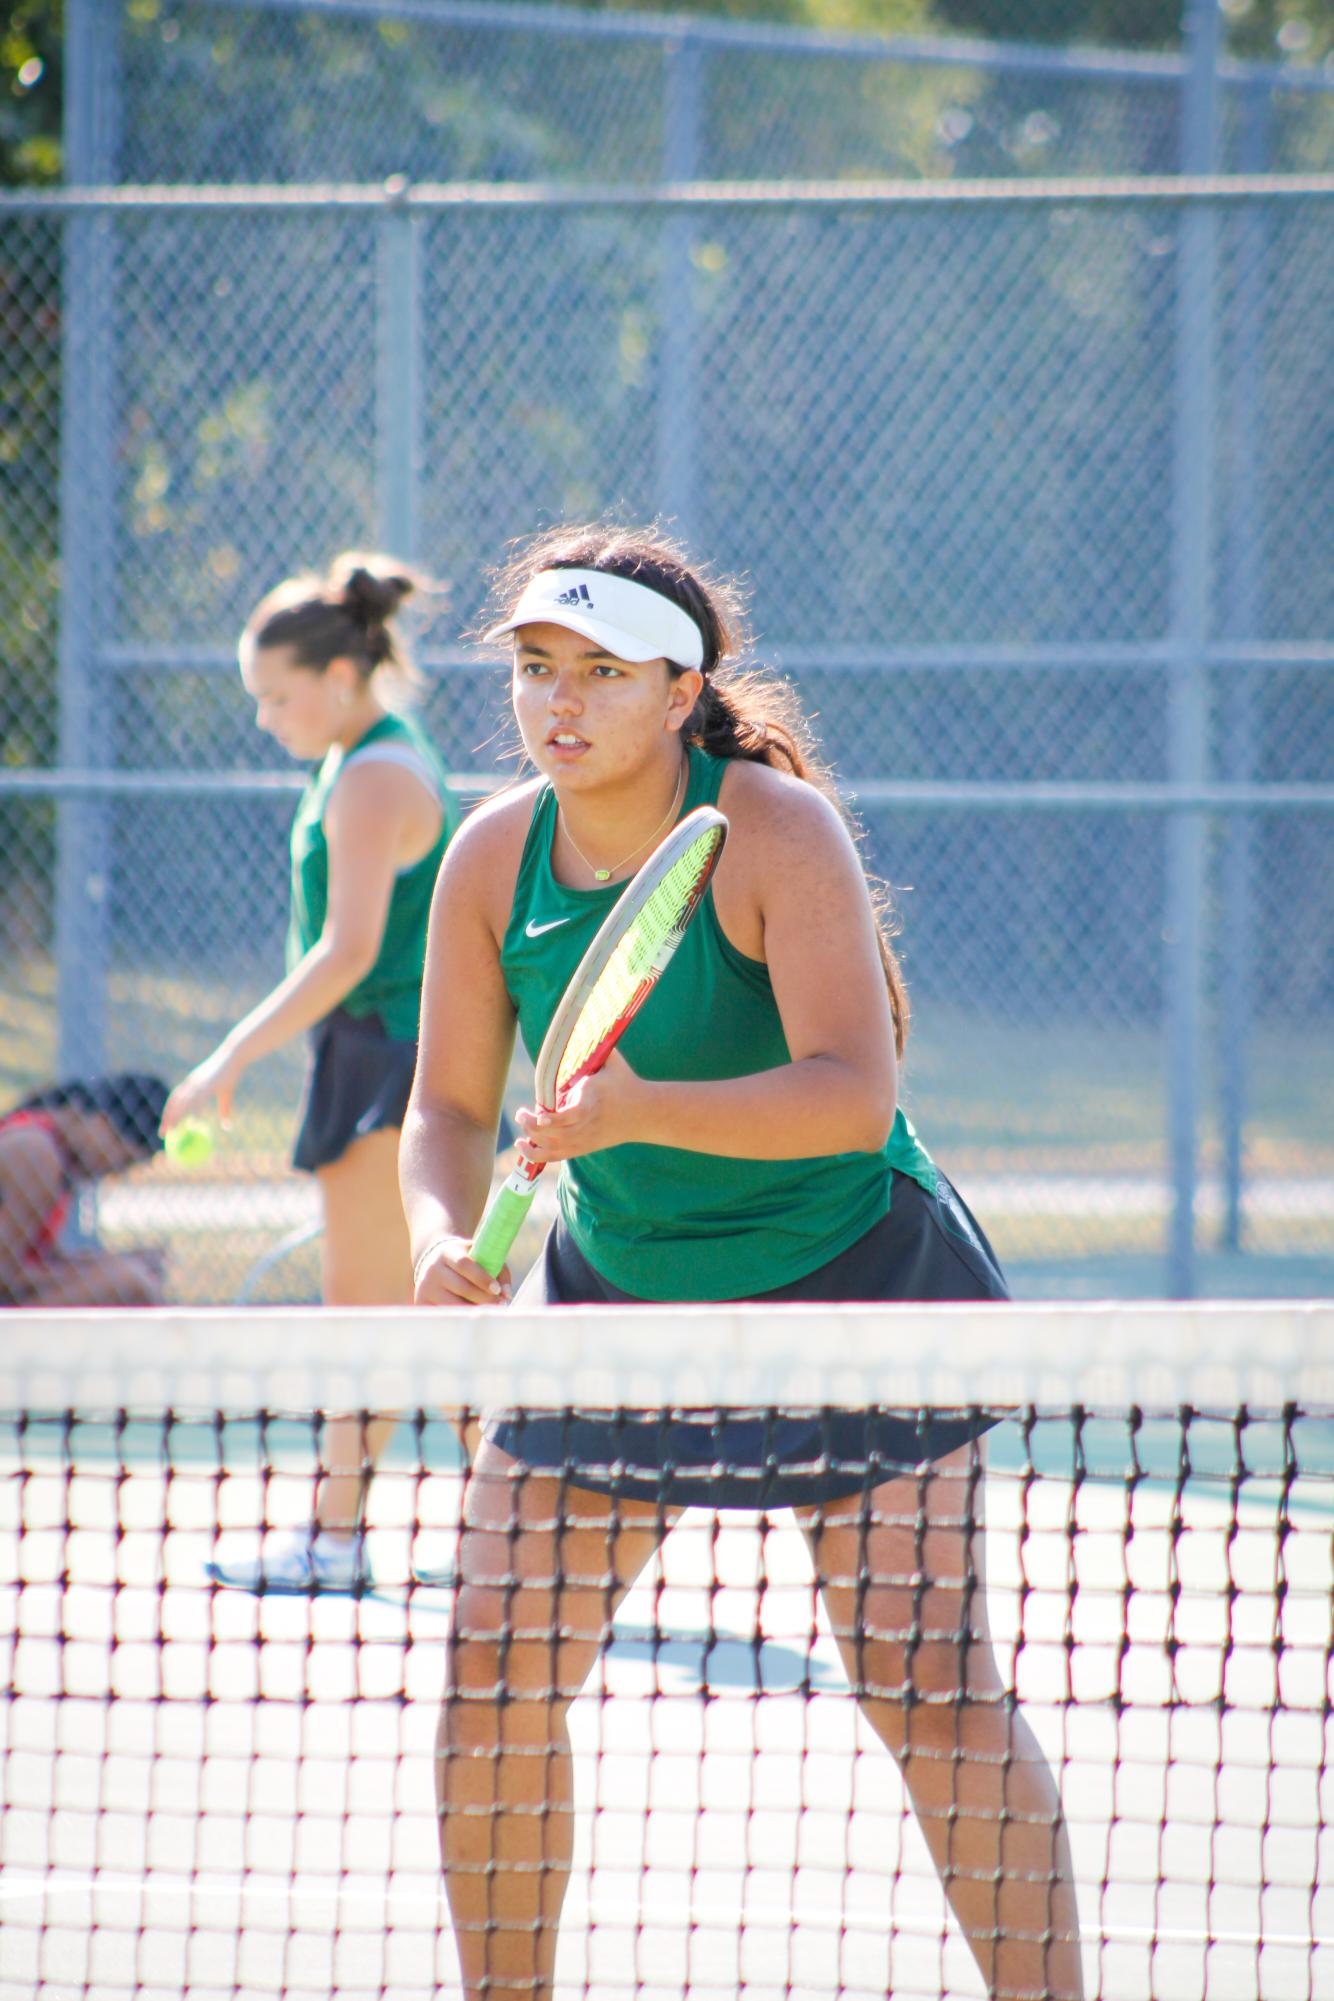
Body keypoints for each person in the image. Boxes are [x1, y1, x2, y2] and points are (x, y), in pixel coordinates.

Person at [400, 524, 1084, 2000]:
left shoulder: (772, 829)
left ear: (680, 690)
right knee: (485, 1685)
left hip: (856, 1289)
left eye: (599, 671)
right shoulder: (486, 860)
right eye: (532, 669)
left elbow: (853, 1094)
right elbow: (446, 1111)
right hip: (615, 1303)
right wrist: (442, 1234)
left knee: (932, 1695)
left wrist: (638, 1109)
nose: (557, 701)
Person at [163, 551, 460, 1595]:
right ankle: (530, 1529)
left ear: (339, 679)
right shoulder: (361, 761)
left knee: (368, 1310)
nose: (265, 719)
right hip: (382, 1056)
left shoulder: (375, 775)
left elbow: (345, 950)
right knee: (417, 1308)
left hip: (385, 1058)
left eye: (277, 697)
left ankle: (342, 1541)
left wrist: (223, 1058)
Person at [0, 1072, 169, 1306]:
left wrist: (111, 1262)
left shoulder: (56, 1158)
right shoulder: (36, 1151)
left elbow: (37, 1259)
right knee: (131, 1284)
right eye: (122, 1160)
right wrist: (113, 1274)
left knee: (134, 1274)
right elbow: (5, 1273)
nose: (114, 1172)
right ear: (100, 1122)